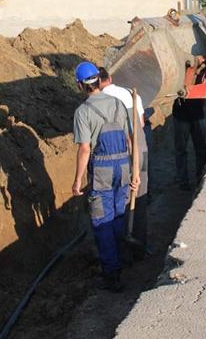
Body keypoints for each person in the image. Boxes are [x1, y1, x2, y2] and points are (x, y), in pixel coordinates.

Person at [72, 61, 138, 292]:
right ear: (99, 80)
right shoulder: (119, 104)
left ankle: (112, 274)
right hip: (123, 167)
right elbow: (131, 139)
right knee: (118, 216)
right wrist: (134, 170)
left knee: (102, 222)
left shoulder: (83, 112)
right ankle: (121, 259)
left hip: (101, 172)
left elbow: (84, 149)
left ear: (81, 85)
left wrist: (78, 180)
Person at [96, 67, 149, 257]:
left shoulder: (101, 101)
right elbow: (141, 124)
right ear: (110, 78)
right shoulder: (130, 93)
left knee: (122, 199)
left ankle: (122, 247)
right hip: (142, 151)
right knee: (140, 195)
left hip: (123, 154)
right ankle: (140, 244)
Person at [173, 97, 206, 191]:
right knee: (181, 149)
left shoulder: (201, 81)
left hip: (198, 113)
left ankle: (201, 177)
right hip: (180, 114)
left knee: (201, 147)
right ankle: (182, 180)